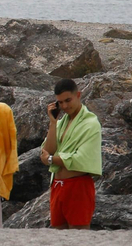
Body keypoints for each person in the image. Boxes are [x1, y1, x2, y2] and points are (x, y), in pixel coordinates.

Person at [40, 77, 102, 229]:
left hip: (78, 186)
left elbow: (81, 159)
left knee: (78, 234)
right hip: (57, 185)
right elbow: (48, 150)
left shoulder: (91, 124)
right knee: (58, 234)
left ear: (78, 95)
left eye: (68, 100)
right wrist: (53, 123)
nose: (65, 106)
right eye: (60, 103)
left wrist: (50, 160)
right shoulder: (61, 123)